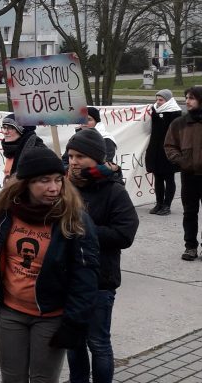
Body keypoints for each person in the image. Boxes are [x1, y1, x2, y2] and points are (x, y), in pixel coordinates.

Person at [0, 147, 100, 383]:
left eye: (58, 179)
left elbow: (85, 275)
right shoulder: (6, 212)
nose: (54, 188)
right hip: (10, 312)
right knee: (12, 379)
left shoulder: (74, 218)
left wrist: (74, 322)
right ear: (26, 183)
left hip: (51, 317)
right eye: (44, 181)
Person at [64, 128, 139, 383]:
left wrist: (83, 230)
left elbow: (124, 233)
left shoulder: (114, 190)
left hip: (100, 280)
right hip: (69, 279)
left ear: (96, 158)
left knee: (98, 343)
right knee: (74, 342)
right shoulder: (63, 186)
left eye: (80, 156)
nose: (74, 162)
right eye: (70, 156)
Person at [164, 86, 202, 262]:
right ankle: (190, 246)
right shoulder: (179, 123)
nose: (187, 101)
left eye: (191, 98)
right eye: (186, 97)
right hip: (188, 175)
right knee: (189, 213)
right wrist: (181, 161)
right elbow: (170, 146)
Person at [146, 89, 182, 216]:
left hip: (168, 150)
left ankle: (167, 205)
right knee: (158, 178)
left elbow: (174, 132)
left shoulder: (175, 112)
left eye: (161, 100)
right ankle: (159, 203)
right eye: (157, 99)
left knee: (169, 178)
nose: (158, 102)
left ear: (168, 100)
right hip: (156, 149)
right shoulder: (155, 110)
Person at [1, 113, 45, 178]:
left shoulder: (37, 152)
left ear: (22, 130)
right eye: (4, 127)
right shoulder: (12, 150)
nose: (5, 132)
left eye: (10, 128)